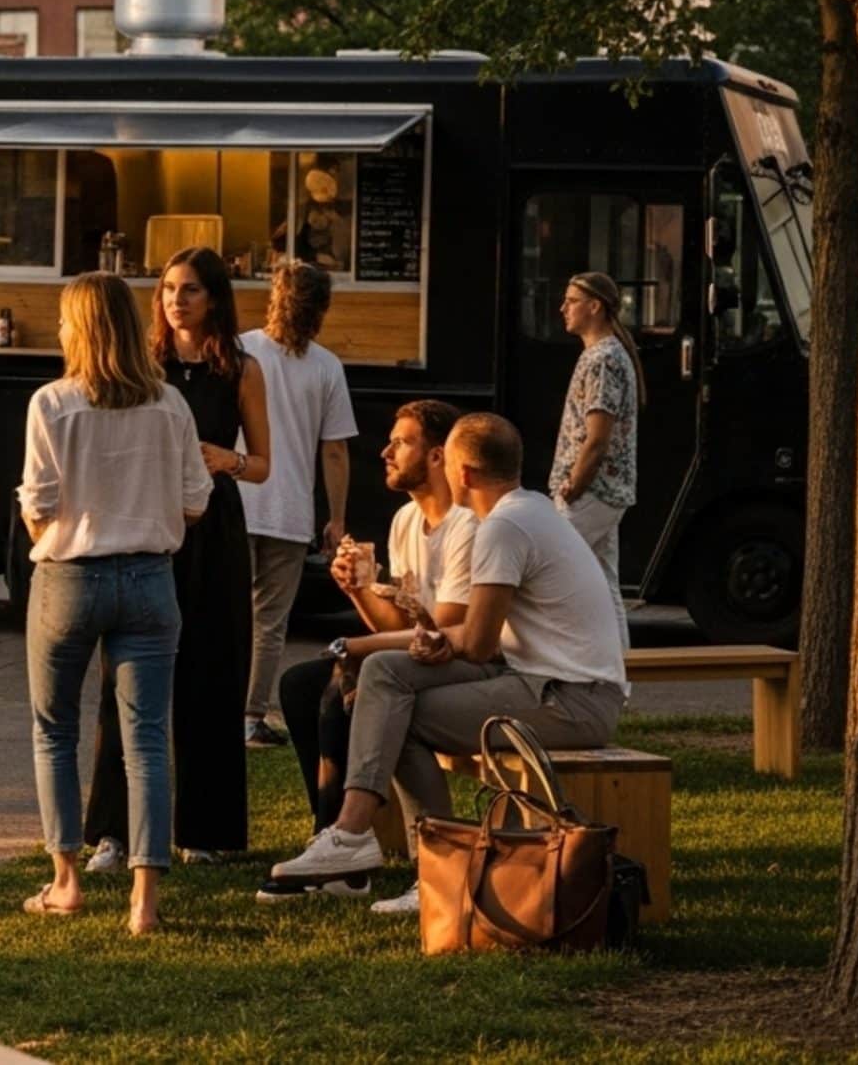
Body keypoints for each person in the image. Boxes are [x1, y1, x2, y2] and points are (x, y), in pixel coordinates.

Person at [266, 413, 628, 911]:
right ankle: (368, 841)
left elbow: (477, 642)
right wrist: (437, 642)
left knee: (402, 711)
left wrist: (442, 642)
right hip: (539, 679)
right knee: (386, 672)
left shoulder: (503, 526)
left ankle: (408, 858)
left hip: (571, 699)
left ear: (463, 473)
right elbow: (476, 636)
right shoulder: (525, 510)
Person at [18, 272, 210, 937]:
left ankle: (66, 881)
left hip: (70, 576)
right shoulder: (170, 404)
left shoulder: (52, 403)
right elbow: (196, 500)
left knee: (55, 730)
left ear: (80, 328)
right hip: (153, 579)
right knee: (149, 740)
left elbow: (38, 507)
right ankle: (144, 902)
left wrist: (60, 535)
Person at [81, 247, 271, 873]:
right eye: (167, 288)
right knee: (126, 677)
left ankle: (206, 830)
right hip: (148, 522)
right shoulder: (145, 365)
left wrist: (229, 460)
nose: (175, 300)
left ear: (214, 298)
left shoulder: (241, 369)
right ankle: (113, 830)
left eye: (189, 290)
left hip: (213, 527)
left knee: (211, 674)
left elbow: (265, 464)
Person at [262, 398, 474, 909]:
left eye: (400, 442)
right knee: (300, 684)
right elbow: (403, 627)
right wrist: (359, 589)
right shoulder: (405, 522)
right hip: (418, 658)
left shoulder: (467, 526)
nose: (384, 451)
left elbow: (443, 633)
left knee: (347, 684)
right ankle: (334, 843)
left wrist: (351, 647)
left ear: (435, 456)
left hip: (464, 663)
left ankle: (344, 852)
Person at [236, 260, 356, 747]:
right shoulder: (327, 366)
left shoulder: (241, 349)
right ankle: (250, 717)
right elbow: (334, 448)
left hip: (237, 500)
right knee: (269, 621)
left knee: (227, 612)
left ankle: (214, 706)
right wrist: (338, 517)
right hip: (289, 511)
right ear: (322, 308)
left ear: (274, 298)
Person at [550, 271, 643, 595]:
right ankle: (614, 647)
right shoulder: (607, 354)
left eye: (572, 301)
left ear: (594, 307)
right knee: (605, 585)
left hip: (592, 490)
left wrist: (574, 486)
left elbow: (597, 436)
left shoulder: (602, 360)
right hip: (607, 489)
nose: (563, 308)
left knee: (548, 569)